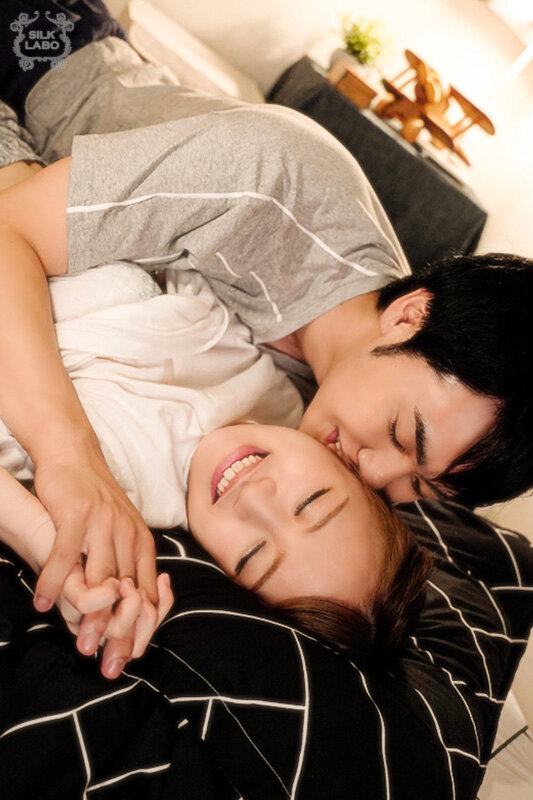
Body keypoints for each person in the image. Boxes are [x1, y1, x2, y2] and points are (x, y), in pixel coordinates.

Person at [0, 2, 532, 665]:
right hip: (40, 61)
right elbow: (8, 229)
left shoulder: (316, 426)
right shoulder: (271, 185)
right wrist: (69, 458)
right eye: (400, 434)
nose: (373, 473)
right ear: (408, 316)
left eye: (420, 487)